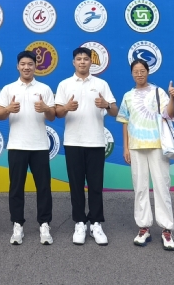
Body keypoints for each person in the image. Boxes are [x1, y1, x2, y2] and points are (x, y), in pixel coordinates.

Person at [54, 46, 118, 246]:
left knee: (96, 185)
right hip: (73, 141)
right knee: (76, 185)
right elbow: (57, 112)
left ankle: (96, 223)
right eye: (79, 59)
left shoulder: (101, 84)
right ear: (73, 62)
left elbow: (115, 111)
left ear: (91, 62)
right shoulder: (65, 84)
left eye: (86, 59)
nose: (82, 62)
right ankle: (80, 223)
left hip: (96, 141)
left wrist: (106, 105)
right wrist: (66, 107)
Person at [0, 50, 56, 245]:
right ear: (17, 66)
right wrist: (8, 109)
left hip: (39, 146)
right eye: (23, 64)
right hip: (17, 145)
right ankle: (17, 225)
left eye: (30, 64)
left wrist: (46, 109)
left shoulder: (44, 89)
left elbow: (52, 116)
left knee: (43, 187)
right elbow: (0, 115)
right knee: (16, 187)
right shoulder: (9, 89)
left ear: (35, 66)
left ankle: (44, 225)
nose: (26, 67)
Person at [117, 59, 174, 251]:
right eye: (136, 71)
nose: (139, 74)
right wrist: (126, 147)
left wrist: (172, 98)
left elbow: (169, 114)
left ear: (148, 72)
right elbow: (125, 122)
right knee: (140, 188)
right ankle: (144, 227)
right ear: (132, 74)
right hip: (136, 147)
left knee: (162, 186)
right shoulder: (128, 96)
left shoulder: (158, 92)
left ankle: (167, 229)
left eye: (142, 71)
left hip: (157, 146)